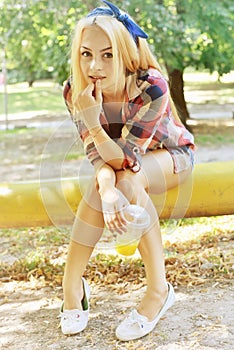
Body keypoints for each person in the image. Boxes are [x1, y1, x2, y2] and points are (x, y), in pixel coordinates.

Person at [60, 0, 195, 341]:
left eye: (107, 55)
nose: (95, 66)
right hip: (122, 166)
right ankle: (71, 287)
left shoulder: (151, 86)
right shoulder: (75, 90)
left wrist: (92, 121)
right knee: (105, 185)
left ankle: (158, 292)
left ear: (124, 53)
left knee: (130, 179)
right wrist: (106, 191)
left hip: (172, 155)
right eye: (86, 54)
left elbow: (125, 160)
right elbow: (100, 159)